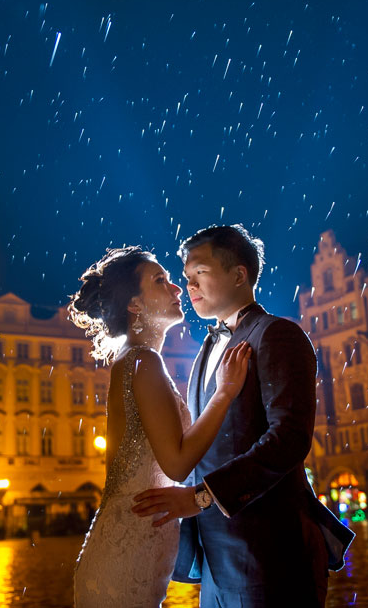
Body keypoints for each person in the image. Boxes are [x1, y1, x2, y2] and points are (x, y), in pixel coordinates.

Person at [132, 225, 354, 607]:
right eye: (186, 278)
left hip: (270, 548)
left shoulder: (277, 335)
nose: (190, 286)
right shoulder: (205, 351)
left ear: (239, 274)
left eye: (199, 273)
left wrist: (201, 497)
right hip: (215, 559)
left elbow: (289, 440)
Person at [71, 246, 252, 607]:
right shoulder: (144, 361)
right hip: (127, 557)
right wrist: (226, 392)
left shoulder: (137, 360)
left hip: (129, 548)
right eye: (160, 281)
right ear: (134, 305)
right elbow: (177, 463)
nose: (176, 288)